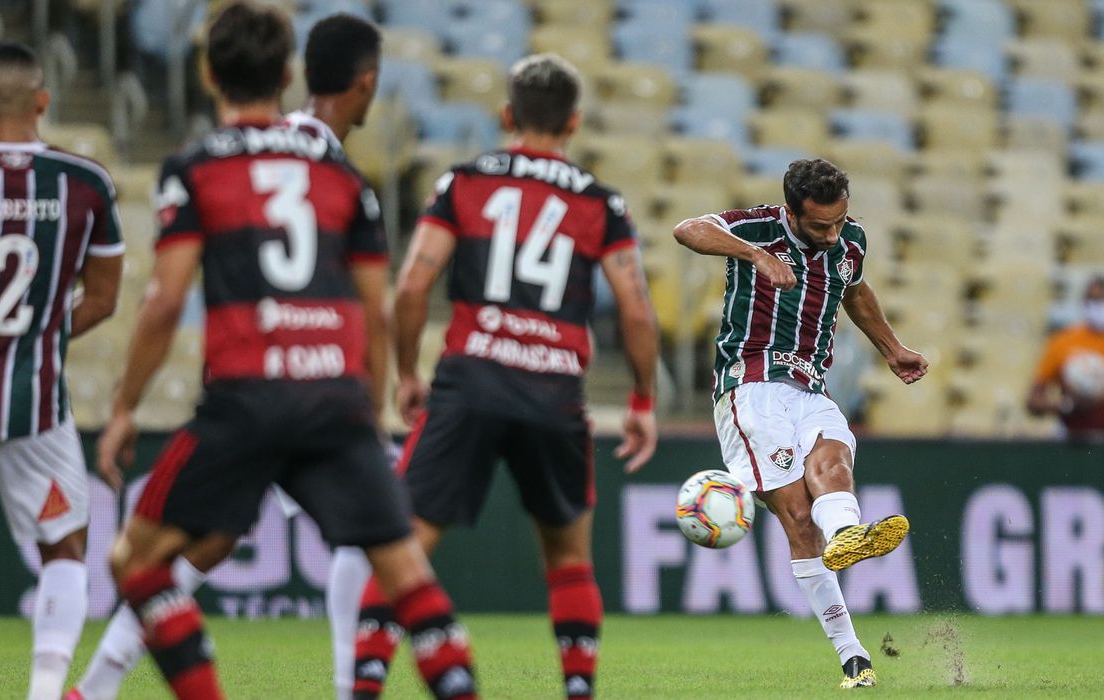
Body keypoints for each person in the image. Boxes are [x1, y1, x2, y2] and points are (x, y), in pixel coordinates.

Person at [95, 4, 477, 699]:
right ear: (292, 74)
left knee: (162, 557)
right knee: (396, 568)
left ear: (208, 73)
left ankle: (97, 688)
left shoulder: (205, 162)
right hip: (326, 390)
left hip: (249, 393)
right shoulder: (335, 169)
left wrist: (126, 405)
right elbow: (373, 303)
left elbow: (165, 296)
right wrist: (375, 390)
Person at [351, 53, 659, 700]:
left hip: (471, 379)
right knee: (569, 559)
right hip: (554, 392)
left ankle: (366, 684)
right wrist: (640, 398)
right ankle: (578, 690)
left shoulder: (464, 181)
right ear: (573, 122)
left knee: (403, 547)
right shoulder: (600, 202)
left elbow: (411, 287)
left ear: (506, 116)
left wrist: (408, 373)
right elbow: (635, 309)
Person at [673, 158, 927, 689]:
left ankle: (848, 536)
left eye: (839, 221)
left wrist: (892, 348)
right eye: (819, 226)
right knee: (798, 517)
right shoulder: (756, 227)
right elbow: (687, 230)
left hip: (811, 386)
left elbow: (854, 290)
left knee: (834, 464)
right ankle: (852, 653)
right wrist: (754, 256)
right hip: (750, 386)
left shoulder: (849, 240)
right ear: (791, 211)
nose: (832, 234)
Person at [0, 42, 123, 700]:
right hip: (36, 402)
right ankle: (45, 693)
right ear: (43, 102)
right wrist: (41, 329)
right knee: (65, 550)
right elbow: (103, 297)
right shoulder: (89, 183)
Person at [1027, 274, 1104, 440]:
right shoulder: (1064, 341)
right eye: (1093, 300)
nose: (1098, 307)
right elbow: (1033, 401)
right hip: (1072, 434)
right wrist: (1066, 405)